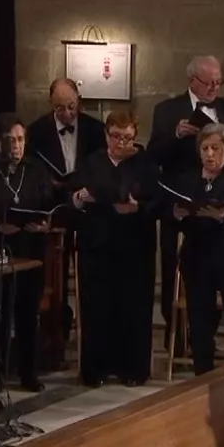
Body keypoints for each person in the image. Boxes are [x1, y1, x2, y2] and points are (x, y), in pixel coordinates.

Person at [149, 56, 224, 356]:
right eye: (209, 83)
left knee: (216, 270)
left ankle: (206, 334)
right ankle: (177, 337)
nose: (215, 88)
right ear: (192, 80)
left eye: (219, 82)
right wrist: (176, 134)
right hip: (182, 201)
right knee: (174, 266)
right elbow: (154, 155)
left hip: (218, 201)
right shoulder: (167, 110)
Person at [0, 113, 58, 392]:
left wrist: (44, 223)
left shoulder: (36, 170)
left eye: (20, 139)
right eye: (10, 141)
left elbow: (49, 204)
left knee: (28, 313)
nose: (17, 146)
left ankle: (28, 372)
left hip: (30, 249)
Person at [72, 109, 160, 387]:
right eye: (116, 137)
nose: (121, 143)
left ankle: (133, 369)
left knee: (133, 307)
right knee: (97, 306)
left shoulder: (145, 164)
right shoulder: (91, 162)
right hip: (98, 244)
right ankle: (95, 369)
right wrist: (78, 197)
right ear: (106, 135)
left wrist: (139, 206)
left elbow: (158, 201)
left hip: (135, 245)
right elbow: (73, 195)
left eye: (128, 138)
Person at [171, 123, 224, 374]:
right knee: (200, 321)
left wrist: (222, 217)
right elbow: (171, 209)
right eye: (205, 148)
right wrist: (176, 214)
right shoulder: (187, 178)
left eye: (216, 148)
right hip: (197, 255)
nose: (210, 154)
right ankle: (203, 377)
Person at [26, 78, 106, 340]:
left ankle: (91, 334)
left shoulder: (95, 129)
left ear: (79, 100)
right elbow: (33, 171)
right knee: (53, 277)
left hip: (87, 212)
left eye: (71, 106)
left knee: (91, 276)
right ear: (51, 104)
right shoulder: (37, 132)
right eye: (60, 108)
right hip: (55, 210)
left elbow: (102, 167)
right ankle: (55, 335)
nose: (68, 113)